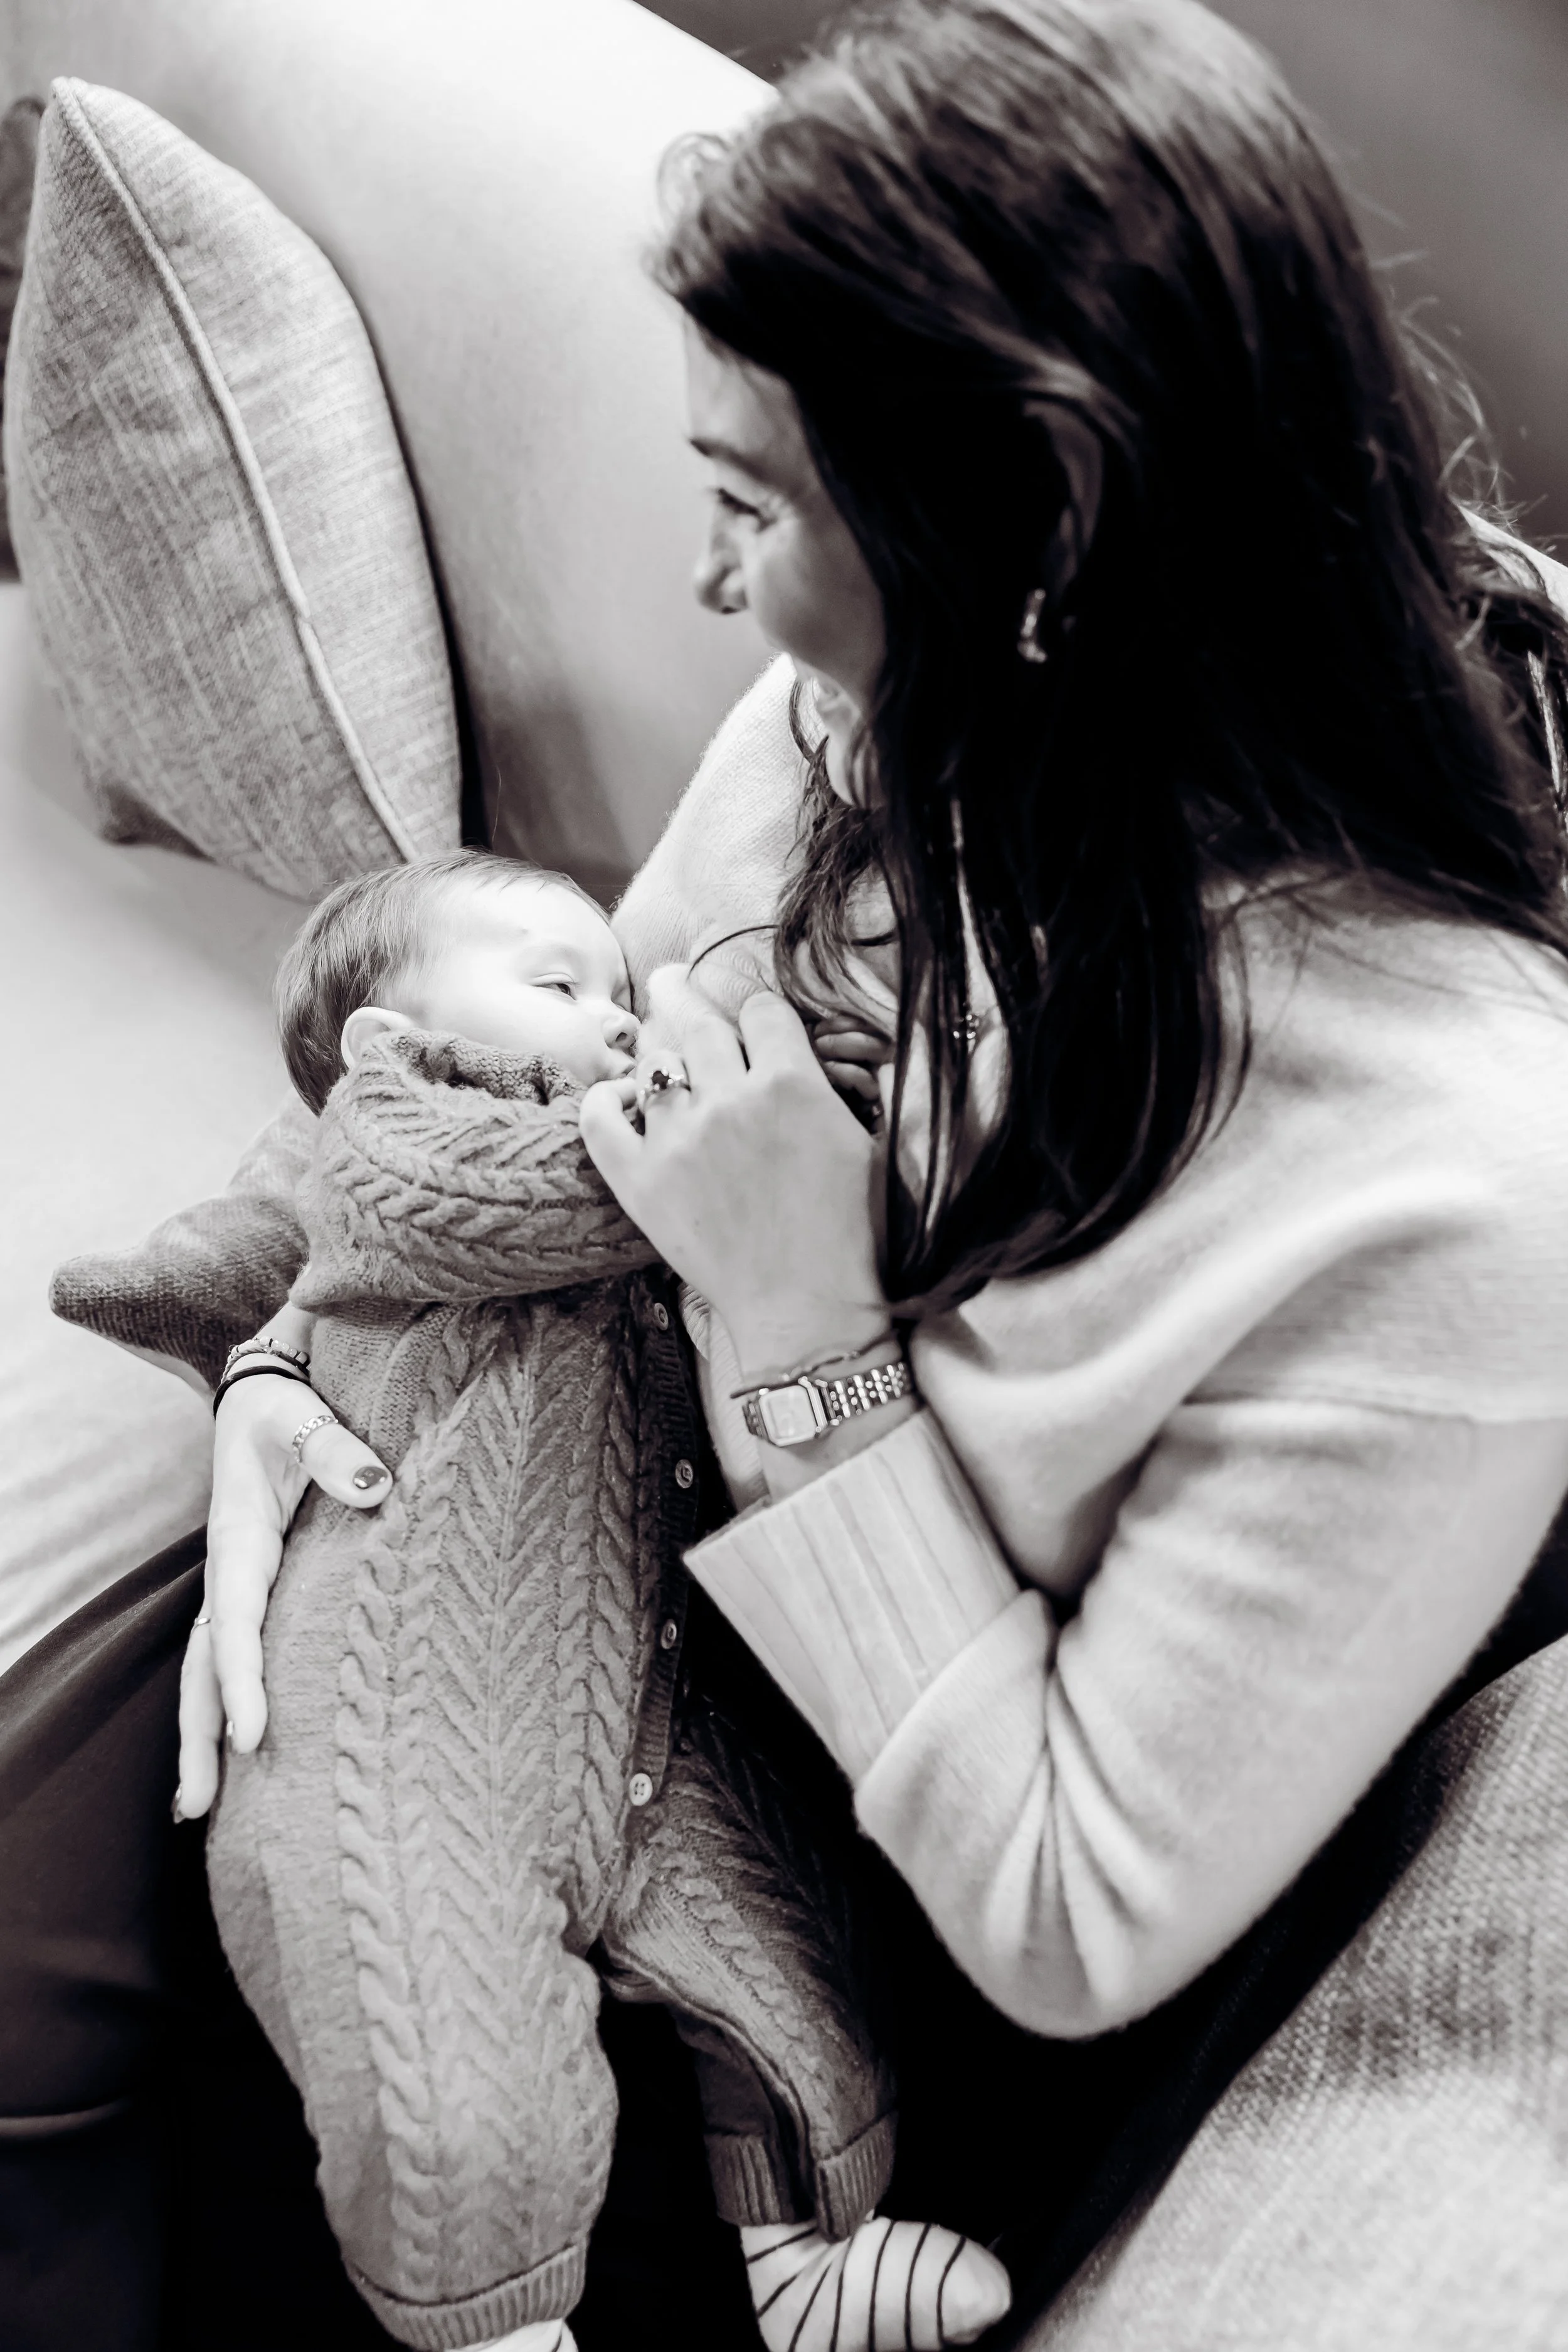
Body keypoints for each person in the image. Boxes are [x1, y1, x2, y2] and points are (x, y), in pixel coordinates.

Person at [176, 0, 1568, 2338]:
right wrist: (287, 1359)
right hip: (617, 1712)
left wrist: (813, 1341)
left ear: (1049, 508)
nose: (717, 594)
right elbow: (570, 1080)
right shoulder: (903, 717)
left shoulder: (1445, 1192)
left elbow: (1070, 1916)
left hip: (966, 2030)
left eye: (750, 506)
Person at [99, 847, 997, 2352]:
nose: (622, 1016)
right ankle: (496, 2327)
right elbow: (580, 1197)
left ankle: (803, 2258)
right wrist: (261, 1359)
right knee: (439, 2044)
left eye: (619, 985)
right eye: (560, 987)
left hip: (644, 1714)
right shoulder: (403, 1138)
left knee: (791, 1960)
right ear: (392, 1048)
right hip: (408, 1721)